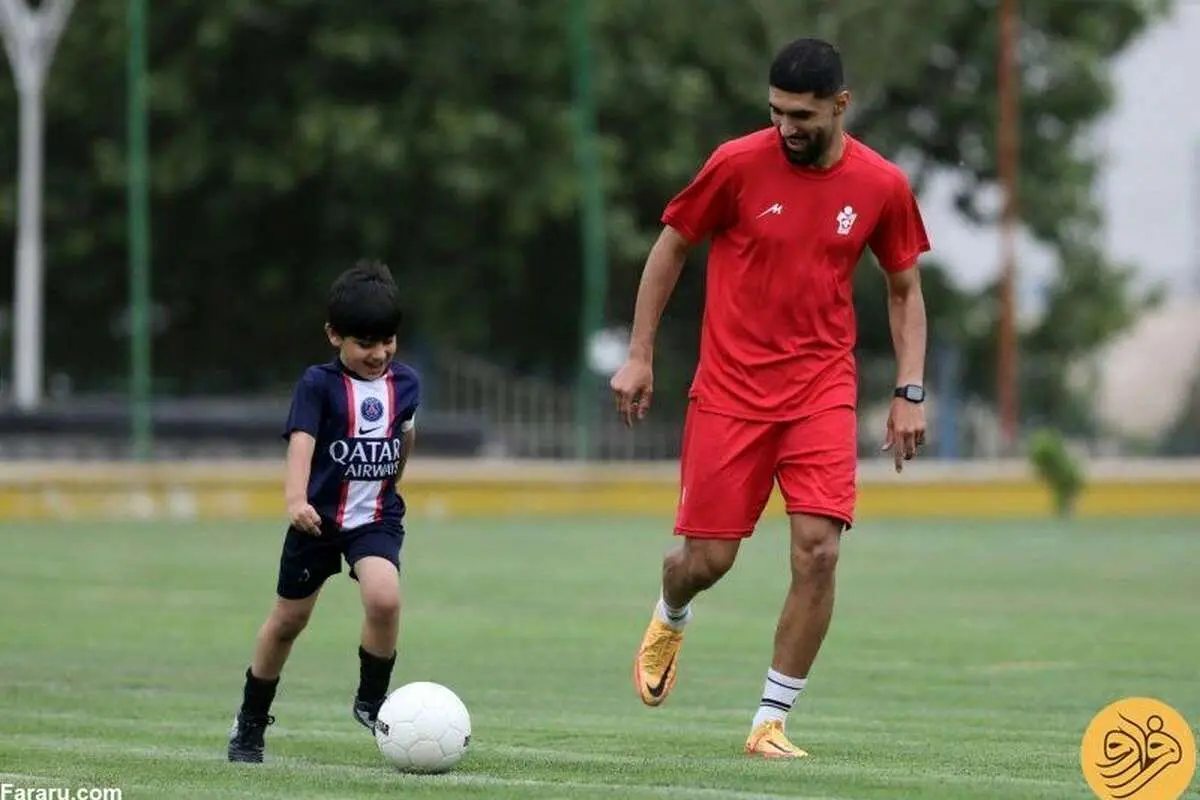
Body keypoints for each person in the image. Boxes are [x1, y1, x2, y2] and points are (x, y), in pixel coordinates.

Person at [610, 37, 931, 759]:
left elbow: (904, 290)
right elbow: (671, 247)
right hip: (730, 391)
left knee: (819, 552)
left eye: (803, 115)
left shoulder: (881, 185)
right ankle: (671, 610)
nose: (787, 127)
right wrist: (639, 354)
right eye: (777, 112)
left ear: (840, 105)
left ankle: (770, 722)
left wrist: (909, 389)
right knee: (707, 561)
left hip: (821, 391)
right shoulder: (735, 165)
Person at [227, 261, 421, 763]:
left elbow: (405, 436)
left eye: (388, 341)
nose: (379, 354)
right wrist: (296, 501)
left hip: (374, 517)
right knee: (288, 622)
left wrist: (394, 479)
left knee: (385, 599)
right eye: (365, 343)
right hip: (316, 521)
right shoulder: (318, 384)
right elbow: (301, 443)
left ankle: (372, 699)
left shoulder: (407, 384)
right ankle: (250, 721)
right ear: (335, 336)